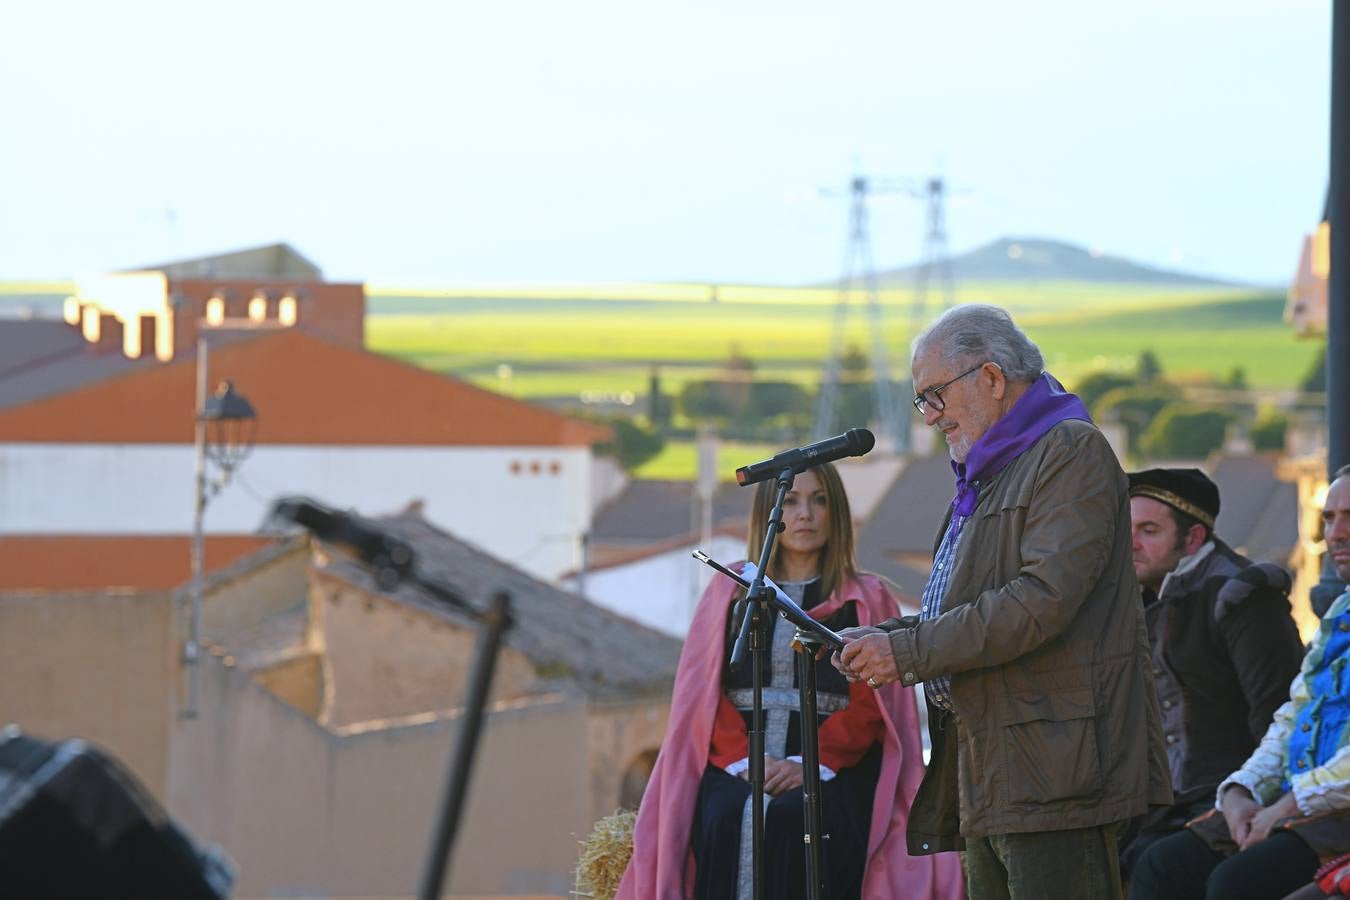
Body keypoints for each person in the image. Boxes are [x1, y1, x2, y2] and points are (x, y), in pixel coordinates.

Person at [834, 303, 1171, 900]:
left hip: (1055, 766)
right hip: (991, 761)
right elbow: (966, 600)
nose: (931, 416)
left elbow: (1039, 602)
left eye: (935, 394)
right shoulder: (993, 466)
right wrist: (880, 638)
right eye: (922, 400)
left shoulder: (1070, 451)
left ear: (991, 378)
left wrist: (907, 649)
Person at [617, 461, 964, 899]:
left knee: (793, 818)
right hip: (738, 760)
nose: (805, 514)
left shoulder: (865, 597)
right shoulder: (730, 592)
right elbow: (702, 697)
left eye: (819, 501)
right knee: (727, 812)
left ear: (835, 513)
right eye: (793, 501)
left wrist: (810, 764)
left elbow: (872, 705)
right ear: (768, 513)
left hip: (836, 762)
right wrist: (749, 762)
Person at [1129, 466, 1350, 900]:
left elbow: (1267, 708)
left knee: (1236, 883)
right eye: (1328, 518)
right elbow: (1290, 719)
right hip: (1270, 796)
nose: (1336, 533)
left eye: (1148, 529)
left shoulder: (1243, 595)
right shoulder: (1339, 612)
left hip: (1327, 808)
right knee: (1159, 865)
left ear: (1192, 538)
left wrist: (1280, 804)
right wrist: (1240, 791)